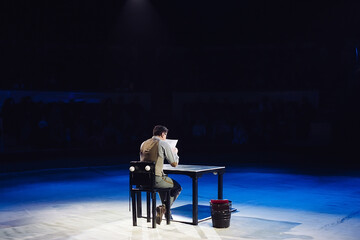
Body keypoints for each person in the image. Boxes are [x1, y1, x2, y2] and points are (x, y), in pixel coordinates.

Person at [140, 125, 181, 224]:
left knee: (164, 184)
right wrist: (175, 153)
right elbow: (174, 164)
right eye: (165, 135)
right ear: (163, 134)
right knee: (177, 187)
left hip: (143, 180)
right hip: (156, 180)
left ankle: (166, 212)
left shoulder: (143, 143)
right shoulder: (163, 143)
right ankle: (164, 208)